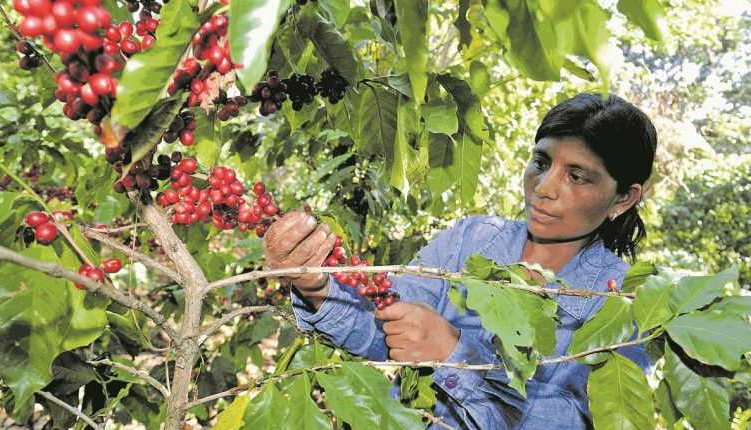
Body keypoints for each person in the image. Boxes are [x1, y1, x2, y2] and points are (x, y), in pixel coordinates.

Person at [263, 92, 658, 429]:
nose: (544, 187)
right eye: (541, 162)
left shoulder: (622, 304)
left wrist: (457, 356)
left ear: (622, 199)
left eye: (577, 177)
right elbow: (382, 326)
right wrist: (316, 287)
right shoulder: (473, 240)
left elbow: (575, 419)